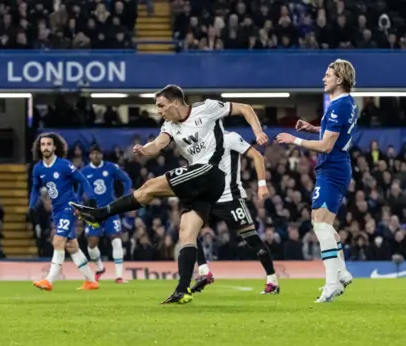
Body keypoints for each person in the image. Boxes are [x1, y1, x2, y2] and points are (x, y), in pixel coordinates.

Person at [71, 84, 268, 304]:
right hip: (200, 184)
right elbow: (158, 144)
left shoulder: (207, 108)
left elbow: (246, 108)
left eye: (161, 105)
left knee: (149, 187)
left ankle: (101, 213)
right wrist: (145, 150)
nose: (159, 110)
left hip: (211, 172)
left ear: (175, 103)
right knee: (186, 232)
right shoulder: (170, 125)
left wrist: (258, 132)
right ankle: (183, 289)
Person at [276, 59, 357, 302]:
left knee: (321, 225)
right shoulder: (347, 103)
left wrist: (295, 141)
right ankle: (342, 273)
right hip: (337, 166)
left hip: (331, 168)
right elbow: (334, 133)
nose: (324, 78)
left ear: (339, 79)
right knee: (323, 223)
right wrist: (313, 128)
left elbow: (325, 145)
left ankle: (332, 283)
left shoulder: (337, 106)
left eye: (328, 74)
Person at [191, 131, 279, 294]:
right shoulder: (200, 141)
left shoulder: (230, 137)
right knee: (189, 231)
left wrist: (261, 184)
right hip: (209, 199)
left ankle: (272, 281)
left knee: (251, 238)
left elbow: (257, 156)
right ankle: (204, 273)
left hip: (231, 198)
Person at [29, 133, 100, 291]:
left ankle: (49, 280)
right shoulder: (38, 168)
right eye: (43, 144)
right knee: (72, 246)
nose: (46, 147)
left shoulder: (64, 165)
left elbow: (82, 179)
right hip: (57, 210)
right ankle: (91, 281)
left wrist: (92, 198)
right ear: (39, 148)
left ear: (55, 147)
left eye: (49, 144)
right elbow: (34, 189)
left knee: (57, 242)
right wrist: (31, 207)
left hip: (69, 207)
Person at [80, 144, 132, 283]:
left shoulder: (111, 167)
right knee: (91, 244)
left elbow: (126, 180)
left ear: (102, 155)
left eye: (98, 153)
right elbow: (79, 190)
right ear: (89, 156)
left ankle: (119, 276)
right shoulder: (84, 171)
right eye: (93, 154)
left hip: (110, 210)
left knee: (116, 239)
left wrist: (126, 197)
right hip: (94, 212)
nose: (95, 156)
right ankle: (99, 268)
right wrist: (79, 205)